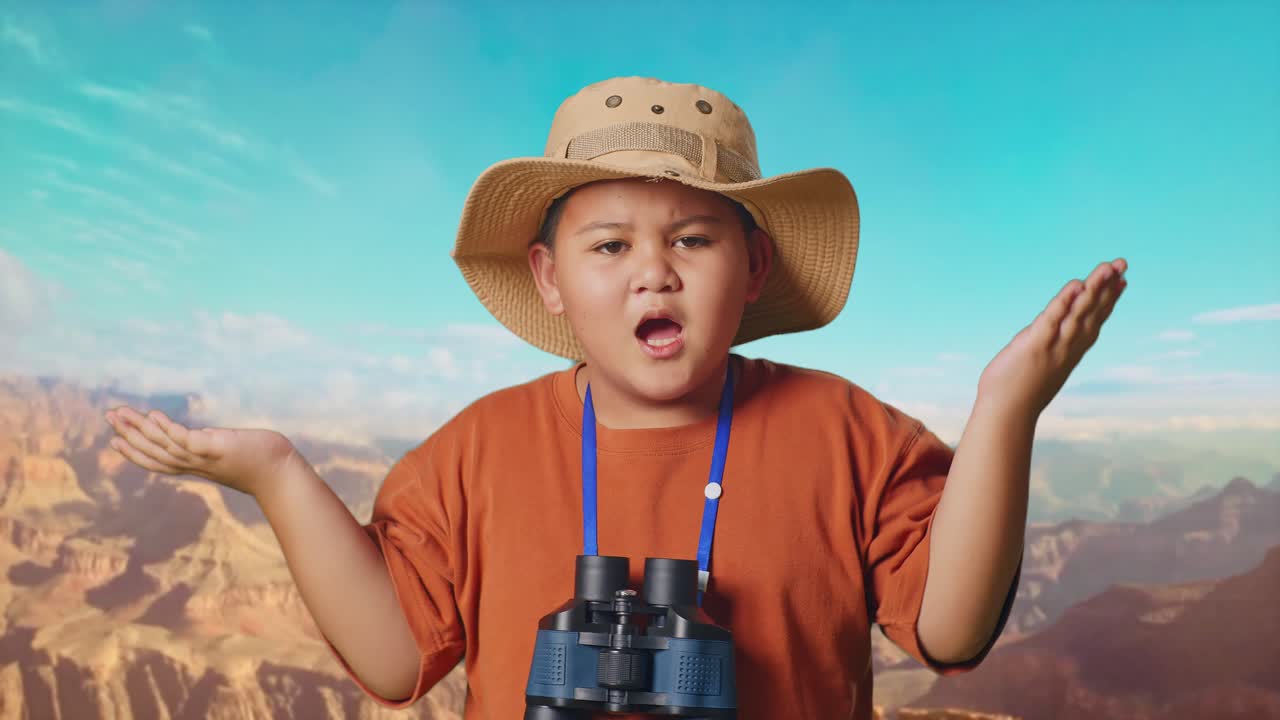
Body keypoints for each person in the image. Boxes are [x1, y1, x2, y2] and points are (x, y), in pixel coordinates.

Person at [104, 76, 1128, 719]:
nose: (653, 273)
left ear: (755, 266)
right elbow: (394, 660)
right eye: (609, 246)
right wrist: (274, 475)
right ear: (550, 278)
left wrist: (1006, 411)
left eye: (692, 239)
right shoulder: (479, 449)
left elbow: (949, 632)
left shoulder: (844, 432)